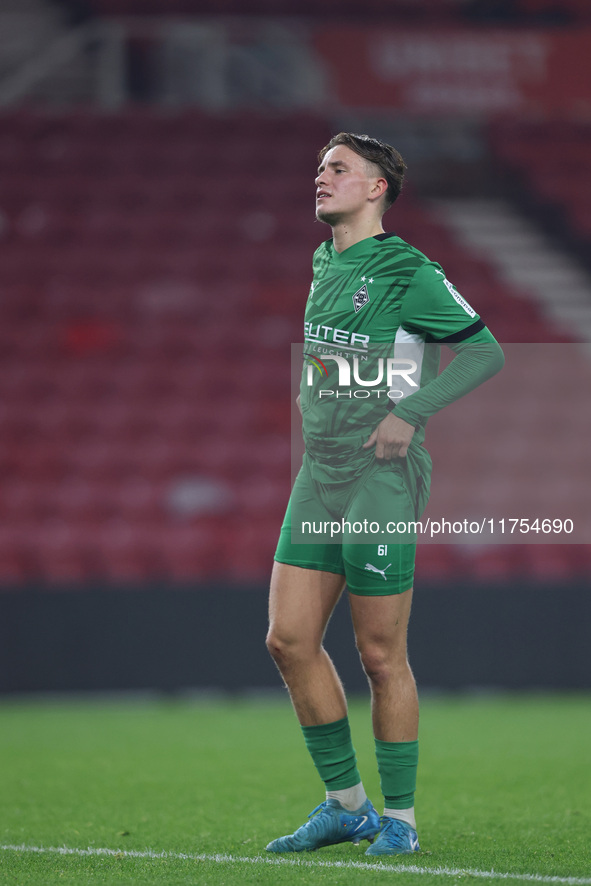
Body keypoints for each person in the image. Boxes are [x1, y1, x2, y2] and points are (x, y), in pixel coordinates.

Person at [265, 132, 504, 856]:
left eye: (337, 168)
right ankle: (347, 807)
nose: (320, 176)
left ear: (376, 189)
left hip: (379, 474)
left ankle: (398, 820)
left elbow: (485, 352)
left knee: (378, 654)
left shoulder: (407, 268)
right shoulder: (323, 258)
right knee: (288, 640)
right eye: (316, 167)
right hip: (320, 471)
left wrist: (408, 412)